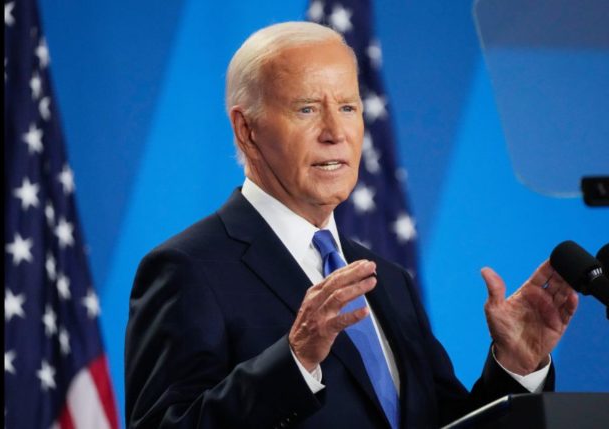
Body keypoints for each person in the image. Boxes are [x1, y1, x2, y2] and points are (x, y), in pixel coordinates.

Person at [124, 21, 578, 429]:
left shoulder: (387, 279)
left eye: (347, 107)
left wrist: (517, 368)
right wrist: (295, 360)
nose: (335, 132)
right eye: (306, 109)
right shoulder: (189, 268)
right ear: (246, 129)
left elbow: (445, 425)